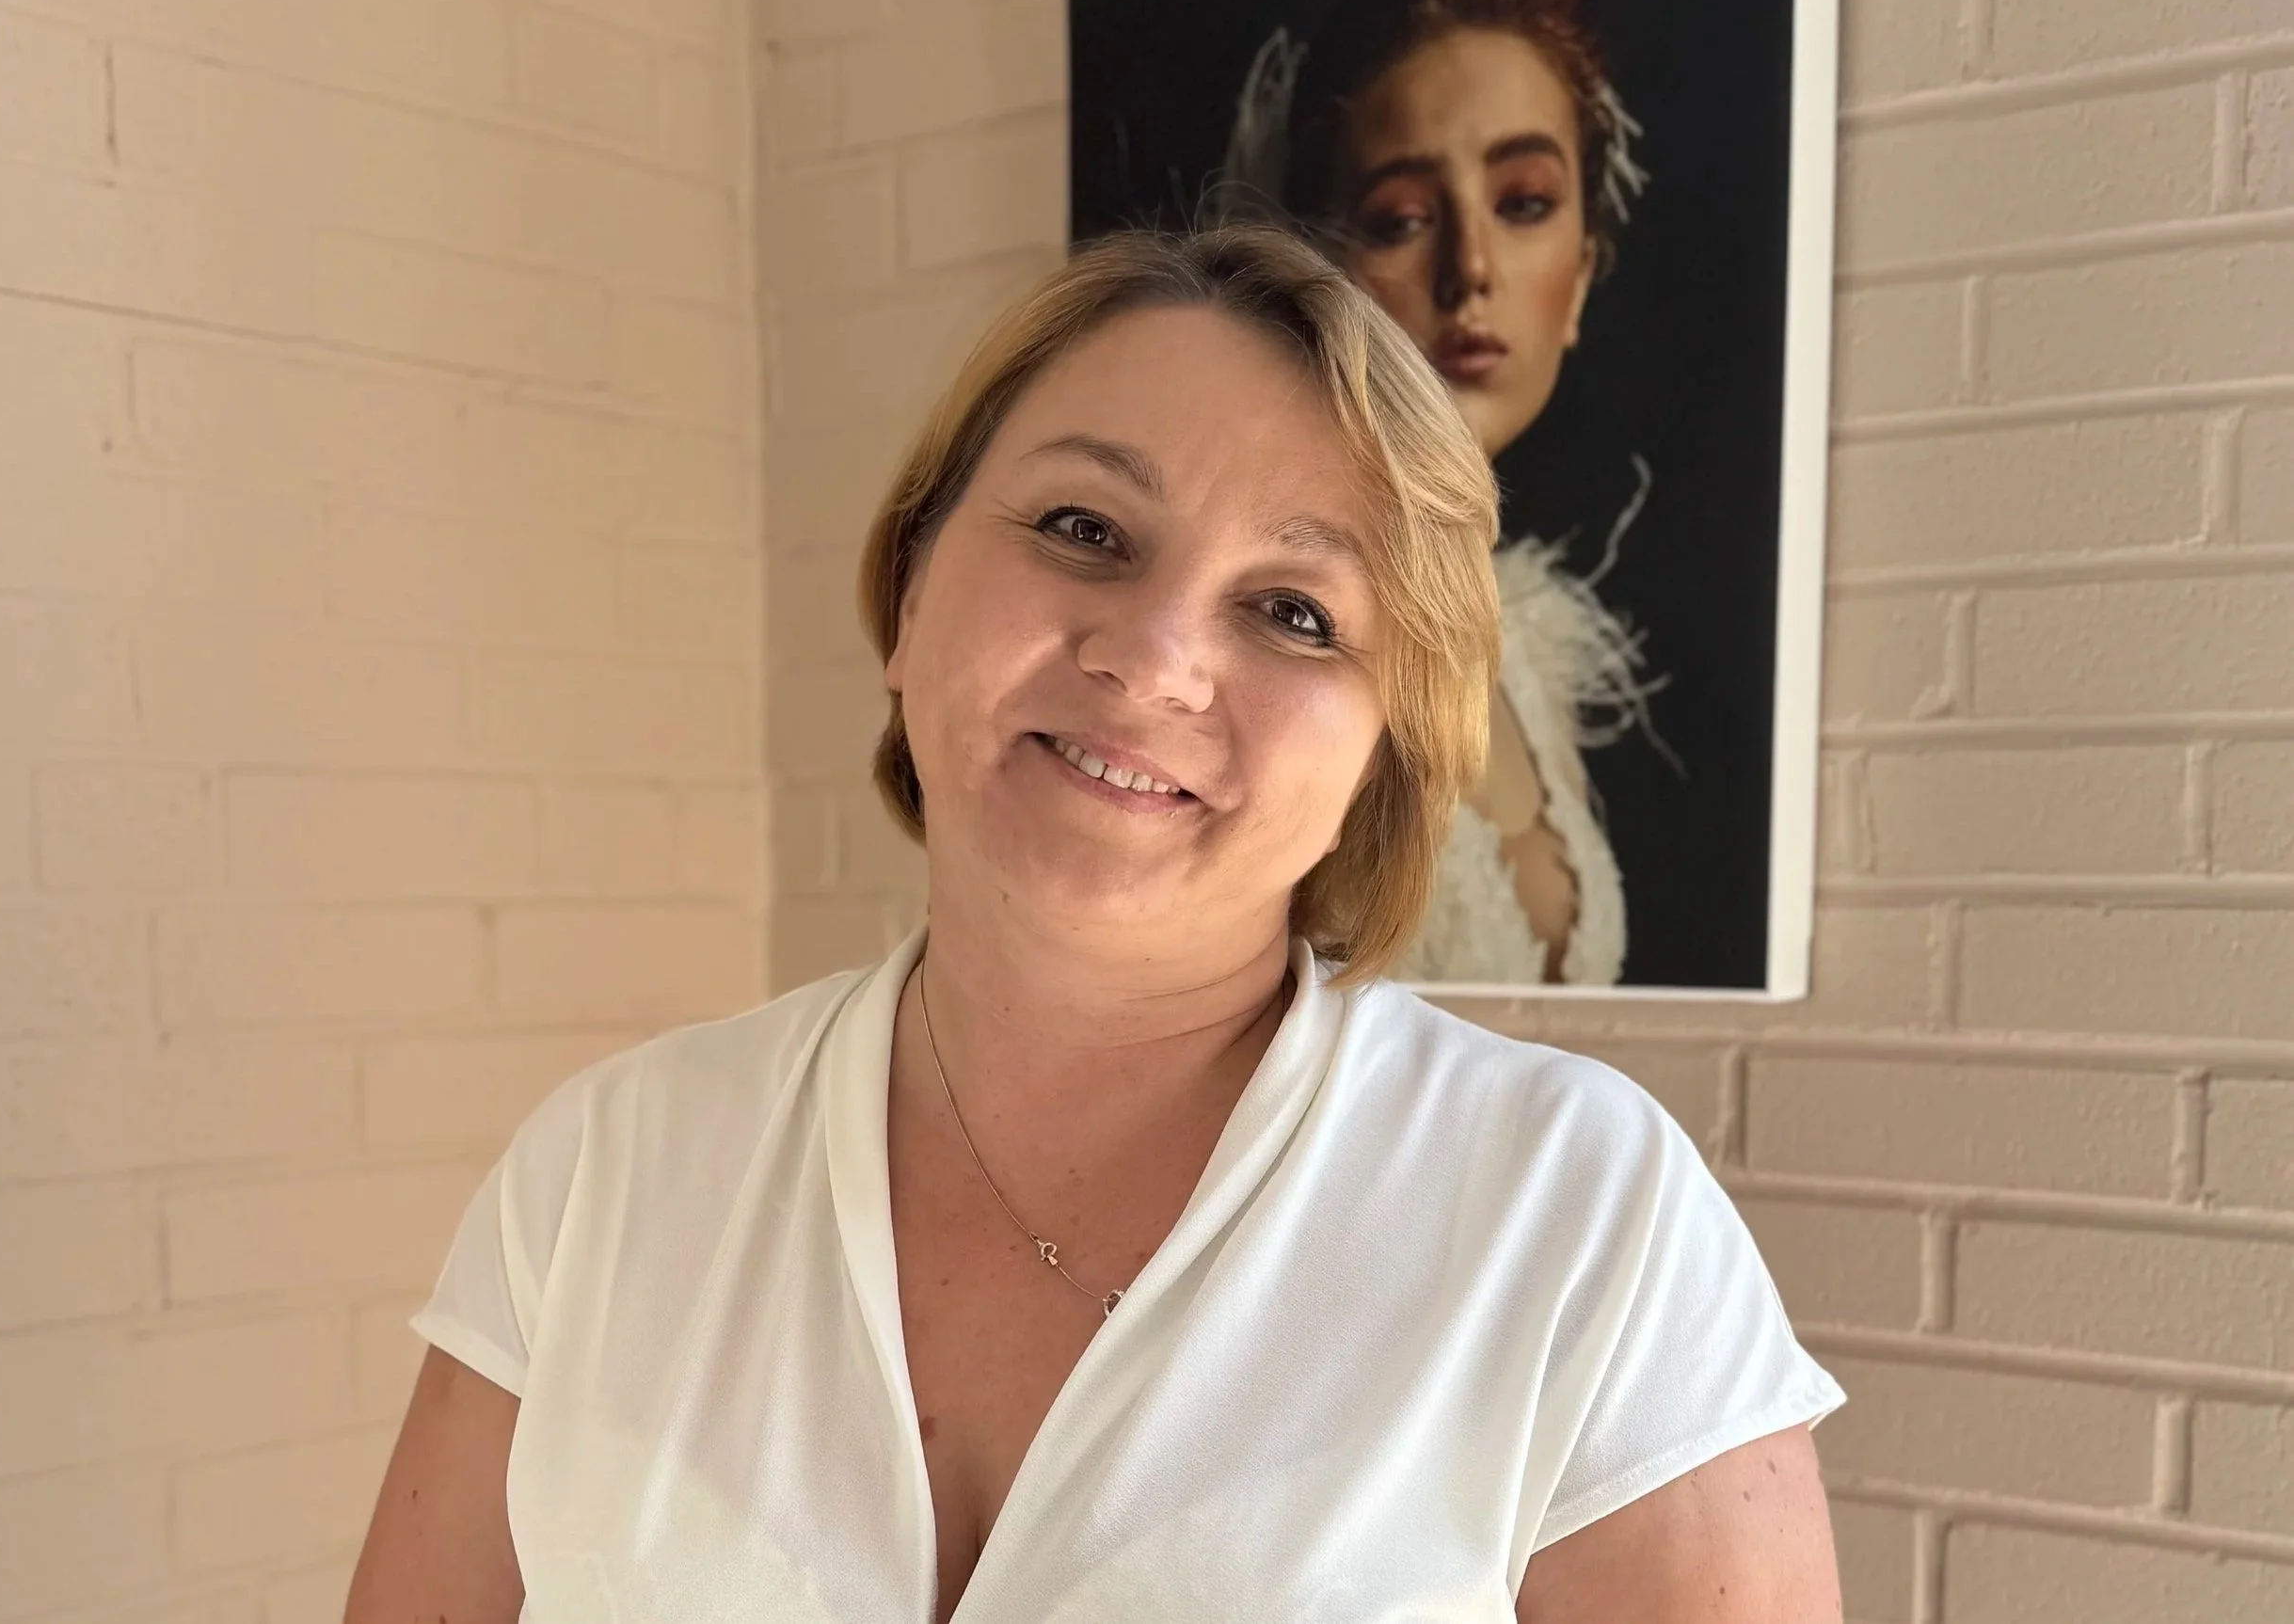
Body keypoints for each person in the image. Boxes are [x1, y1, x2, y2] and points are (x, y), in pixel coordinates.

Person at [344, 228, 1842, 1624]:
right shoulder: (607, 1170)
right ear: (913, 586)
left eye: (1296, 611)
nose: (1153, 655)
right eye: (1084, 526)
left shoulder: (1579, 1217)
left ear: (1387, 754)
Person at [1225, 0, 1653, 987]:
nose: (1469, 270)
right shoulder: (1257, 626)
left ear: (1583, 275)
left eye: (1523, 203)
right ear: (1321, 267)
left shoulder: (1531, 646)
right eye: (1403, 219)